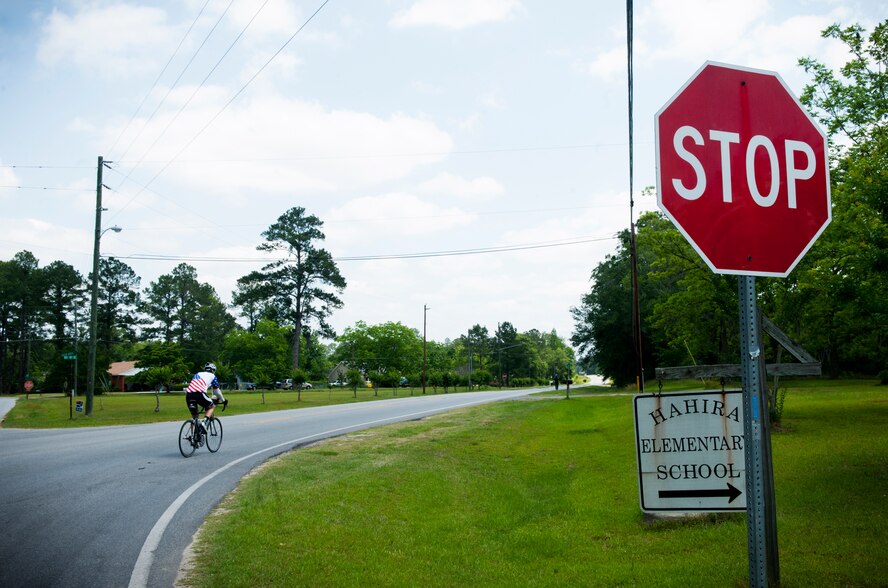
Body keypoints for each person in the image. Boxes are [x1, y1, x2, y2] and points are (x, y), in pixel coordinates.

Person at [185, 362, 227, 430]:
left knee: (195, 417)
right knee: (212, 406)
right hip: (199, 393)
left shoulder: (197, 374)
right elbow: (217, 391)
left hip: (189, 394)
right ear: (213, 370)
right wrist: (223, 400)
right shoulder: (213, 376)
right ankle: (204, 422)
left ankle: (192, 437)